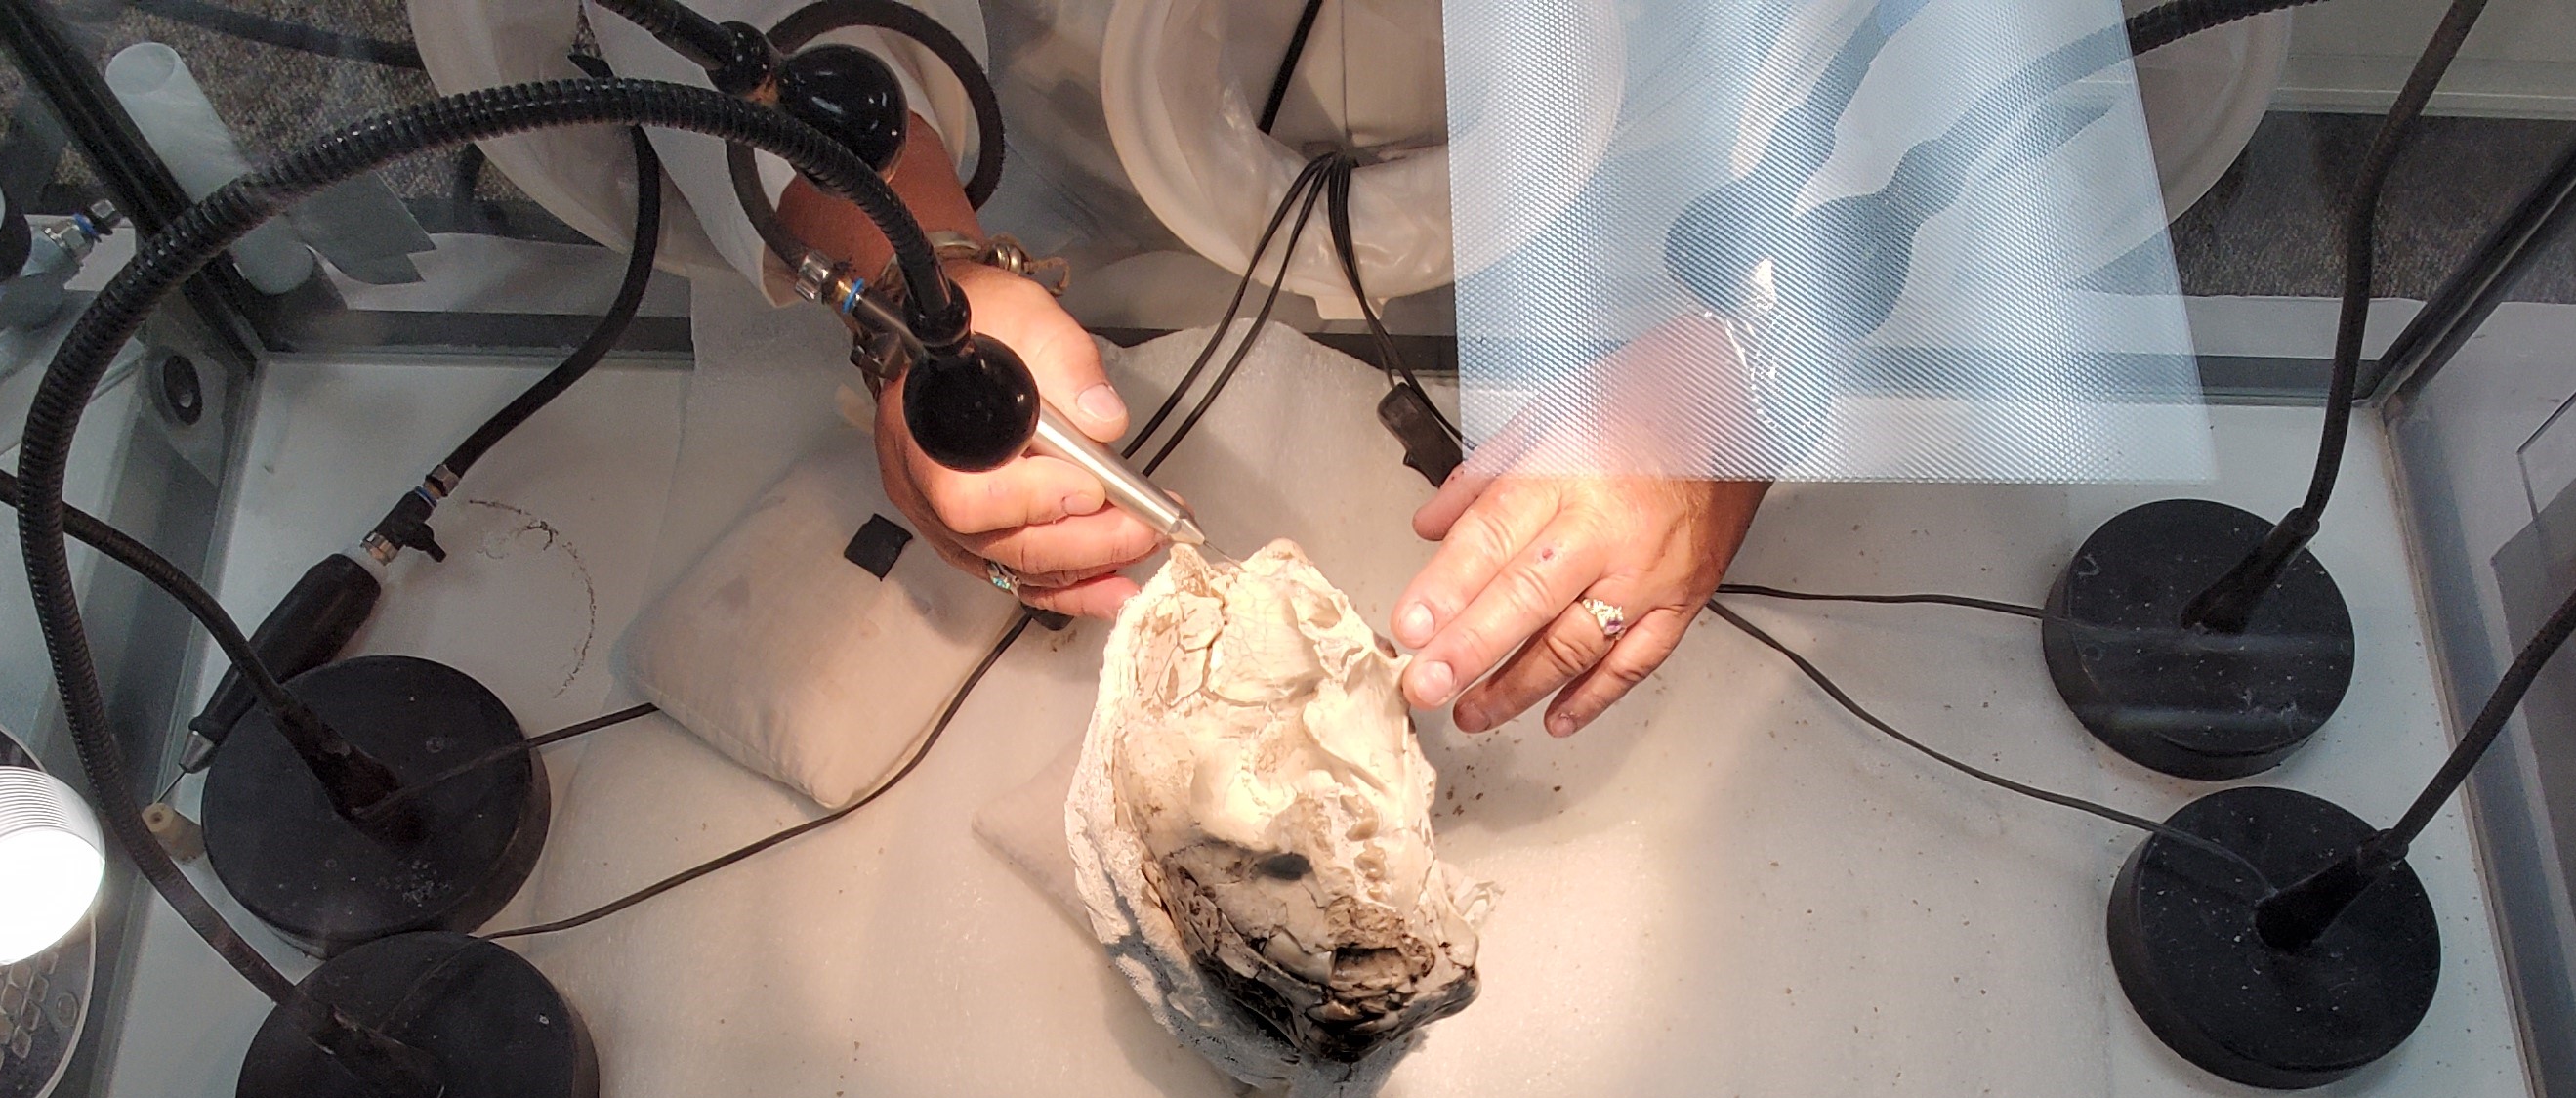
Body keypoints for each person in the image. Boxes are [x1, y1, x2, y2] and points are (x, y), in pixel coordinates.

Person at [572, 0, 1769, 740]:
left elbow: (1940, 70)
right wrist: (918, 272)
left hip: (1648, 241)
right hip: (1071, 192)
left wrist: (1750, 366)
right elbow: (764, 42)